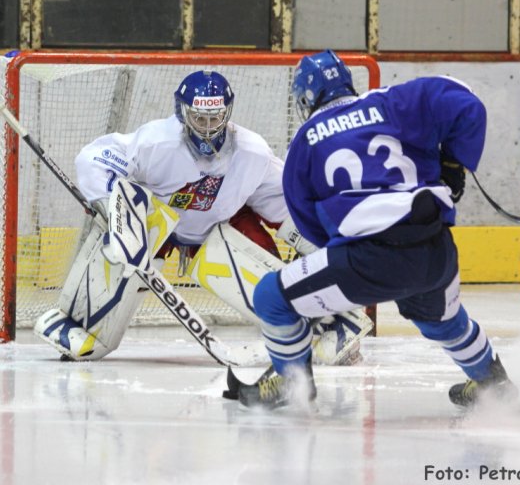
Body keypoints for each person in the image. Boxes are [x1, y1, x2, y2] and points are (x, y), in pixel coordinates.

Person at [226, 49, 517, 409]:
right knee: (441, 320)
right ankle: (492, 381)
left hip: (367, 260)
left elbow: (306, 219)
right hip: (435, 248)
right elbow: (467, 103)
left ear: (305, 99)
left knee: (272, 296)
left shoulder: (306, 138)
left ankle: (293, 383)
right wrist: (454, 165)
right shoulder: (396, 101)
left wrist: (348, 255)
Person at [33, 69, 372, 364]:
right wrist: (111, 202)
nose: (208, 129)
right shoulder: (156, 142)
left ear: (227, 113)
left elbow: (286, 202)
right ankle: (78, 322)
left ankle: (324, 322)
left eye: (215, 118)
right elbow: (96, 155)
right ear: (182, 114)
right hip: (162, 225)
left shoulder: (251, 152)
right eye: (199, 119)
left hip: (221, 225)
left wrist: (317, 246)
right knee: (125, 241)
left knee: (270, 282)